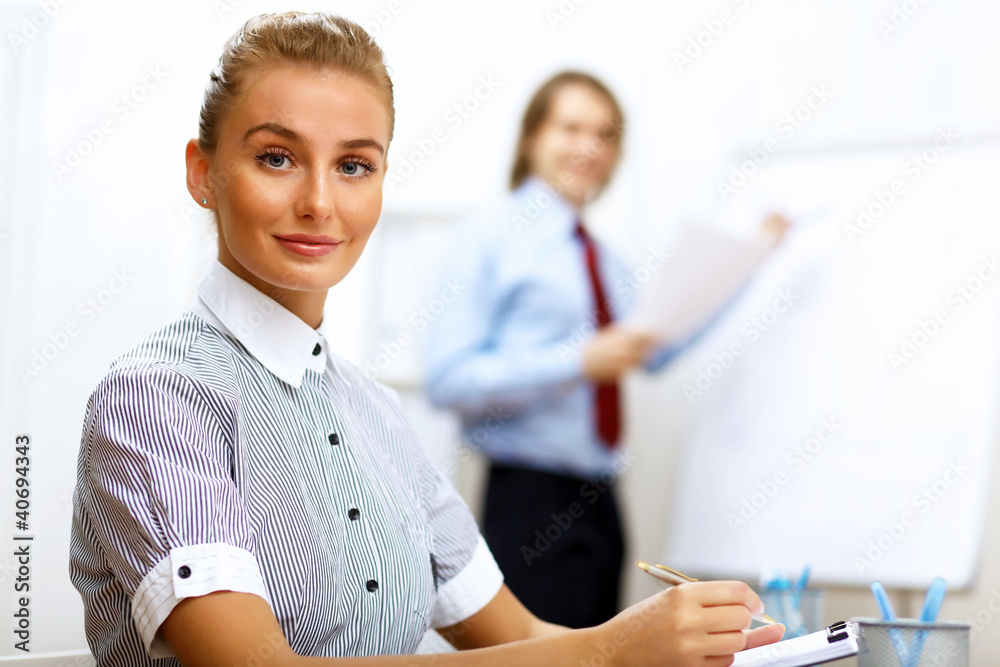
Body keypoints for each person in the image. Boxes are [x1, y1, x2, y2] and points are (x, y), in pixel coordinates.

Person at [69, 12, 784, 667]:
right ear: (204, 173)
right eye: (277, 157)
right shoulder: (156, 398)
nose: (320, 202)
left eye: (354, 165)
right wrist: (610, 650)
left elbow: (527, 638)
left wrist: (687, 649)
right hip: (531, 488)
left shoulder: (377, 415)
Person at [423, 72, 787, 629]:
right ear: (531, 138)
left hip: (602, 503)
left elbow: (654, 351)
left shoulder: (607, 261)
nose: (589, 146)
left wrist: (745, 263)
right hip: (528, 500)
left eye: (606, 134)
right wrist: (578, 361)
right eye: (571, 127)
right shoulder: (488, 234)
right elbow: (449, 378)